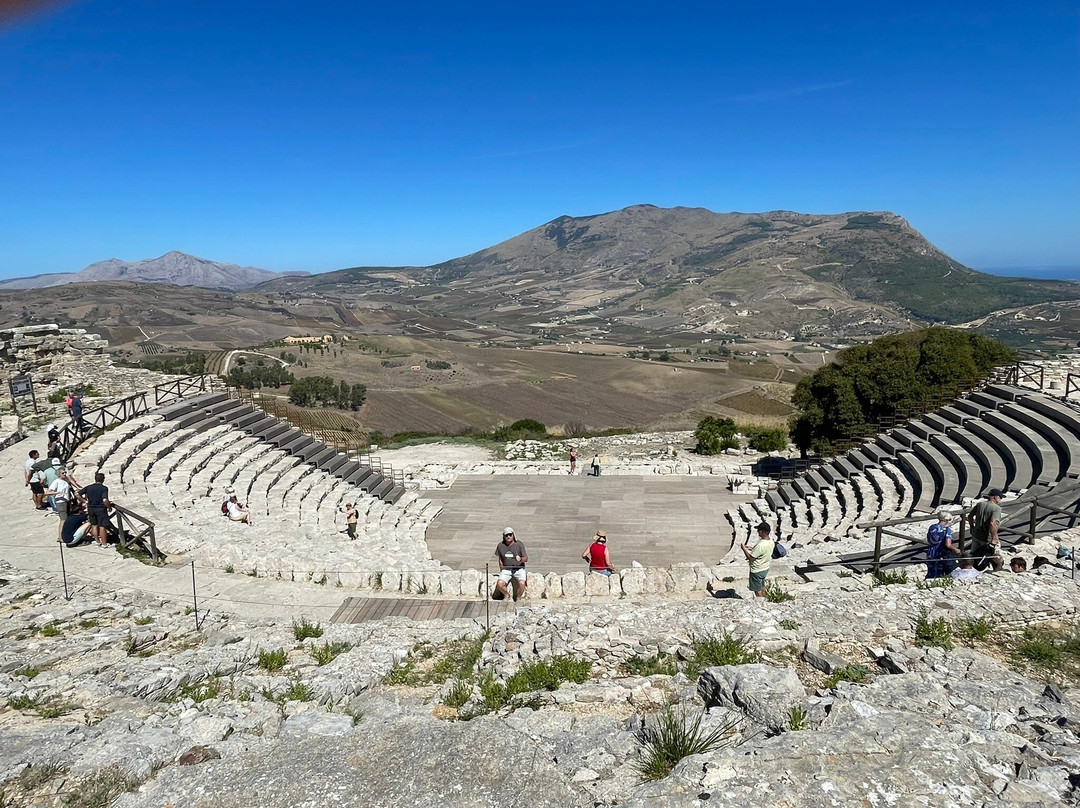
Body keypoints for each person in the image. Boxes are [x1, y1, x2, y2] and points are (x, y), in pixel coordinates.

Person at [967, 489, 1004, 571]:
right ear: (995, 497)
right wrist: (994, 538)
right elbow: (992, 523)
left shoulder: (980, 504)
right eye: (1000, 497)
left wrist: (972, 527)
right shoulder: (996, 508)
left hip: (977, 534)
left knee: (974, 555)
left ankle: (971, 571)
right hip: (988, 537)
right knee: (995, 557)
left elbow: (970, 516)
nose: (1000, 500)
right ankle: (996, 572)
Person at [741, 522, 775, 597]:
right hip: (765, 568)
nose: (757, 532)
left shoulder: (760, 545)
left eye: (759, 530)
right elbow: (763, 551)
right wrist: (752, 548)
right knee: (761, 586)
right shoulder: (771, 541)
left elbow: (750, 559)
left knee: (757, 589)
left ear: (763, 531)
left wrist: (744, 549)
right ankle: (766, 599)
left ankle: (761, 602)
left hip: (757, 570)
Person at [493, 527, 527, 601]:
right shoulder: (500, 545)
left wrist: (520, 559)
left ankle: (518, 597)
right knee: (500, 584)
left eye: (510, 535)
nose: (508, 537)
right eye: (506, 535)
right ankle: (507, 595)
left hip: (519, 568)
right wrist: (501, 569)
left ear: (513, 535)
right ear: (504, 536)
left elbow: (526, 558)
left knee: (522, 583)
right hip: (507, 569)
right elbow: (500, 559)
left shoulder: (519, 544)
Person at [79, 472, 112, 547]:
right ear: (103, 479)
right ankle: (104, 544)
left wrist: (84, 501)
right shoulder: (104, 488)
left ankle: (97, 541)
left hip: (91, 508)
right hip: (100, 509)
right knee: (102, 526)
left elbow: (77, 494)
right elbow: (104, 500)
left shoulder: (89, 487)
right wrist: (109, 506)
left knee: (94, 525)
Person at [925, 512, 959, 579]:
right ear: (946, 520)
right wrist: (956, 549)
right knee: (940, 573)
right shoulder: (947, 530)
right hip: (941, 552)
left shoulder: (932, 527)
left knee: (931, 571)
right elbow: (948, 544)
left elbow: (929, 540)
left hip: (931, 551)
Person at [45, 467, 73, 541]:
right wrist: (57, 493)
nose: (64, 474)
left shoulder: (65, 480)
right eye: (63, 473)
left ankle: (65, 534)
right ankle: (60, 537)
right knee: (63, 519)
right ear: (59, 474)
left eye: (65, 472)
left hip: (66, 501)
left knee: (67, 519)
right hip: (60, 502)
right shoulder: (56, 481)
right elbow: (47, 492)